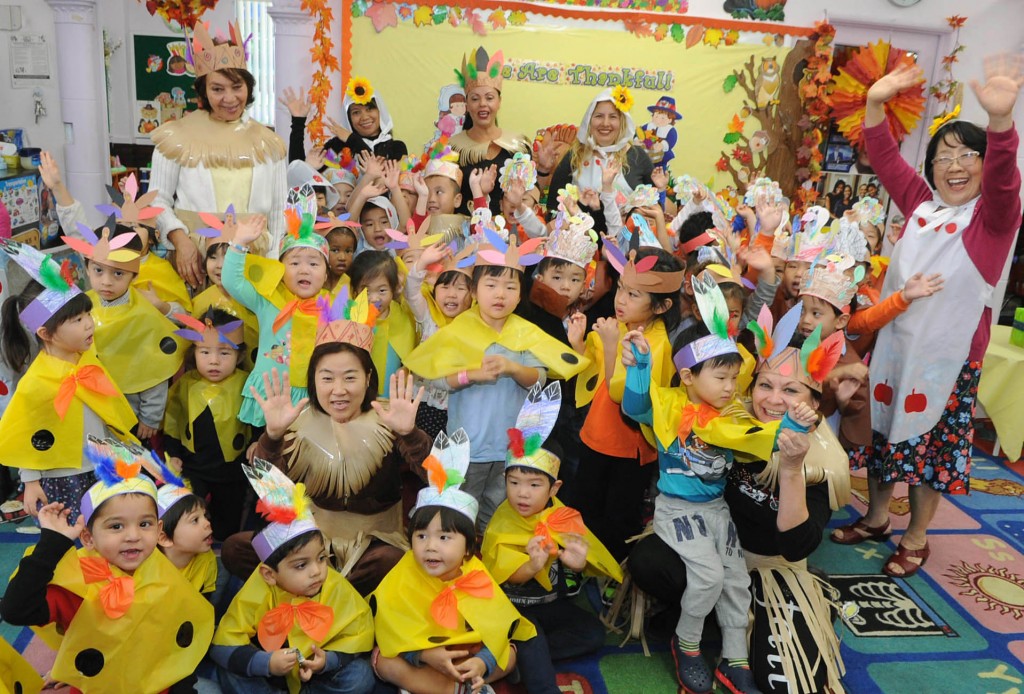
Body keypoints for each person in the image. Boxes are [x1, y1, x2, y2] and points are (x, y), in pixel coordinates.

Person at [830, 55, 1023, 577]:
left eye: (967, 155)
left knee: (929, 450)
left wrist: (1002, 125)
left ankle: (916, 535)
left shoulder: (992, 220)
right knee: (884, 435)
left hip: (948, 359)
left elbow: (1006, 184)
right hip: (893, 348)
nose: (954, 165)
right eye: (943, 156)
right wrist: (873, 104)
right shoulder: (920, 203)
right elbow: (887, 158)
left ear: (984, 163)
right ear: (931, 167)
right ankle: (875, 518)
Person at [628, 304, 852, 694]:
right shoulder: (732, 417)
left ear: (814, 403)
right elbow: (642, 408)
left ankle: (735, 657)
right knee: (673, 567)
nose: (774, 398)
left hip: (772, 568)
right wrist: (639, 367)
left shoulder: (820, 457)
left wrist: (791, 462)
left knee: (780, 680)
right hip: (697, 526)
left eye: (791, 390)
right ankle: (690, 643)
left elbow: (798, 541)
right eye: (765, 385)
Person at [221, 290, 433, 596]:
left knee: (393, 562)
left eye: (349, 377)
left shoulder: (389, 416)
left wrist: (410, 433)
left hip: (373, 548)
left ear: (368, 376)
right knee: (235, 549)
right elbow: (271, 491)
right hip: (309, 547)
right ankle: (325, 588)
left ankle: (321, 593)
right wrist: (273, 436)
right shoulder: (298, 419)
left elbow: (438, 477)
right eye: (327, 378)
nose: (338, 390)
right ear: (313, 379)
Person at [403, 228, 591, 532]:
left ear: (520, 294)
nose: (500, 294)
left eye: (510, 286)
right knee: (458, 512)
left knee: (498, 517)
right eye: (491, 285)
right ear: (475, 292)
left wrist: (512, 368)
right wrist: (470, 375)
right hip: (466, 448)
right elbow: (436, 381)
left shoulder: (525, 332)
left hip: (511, 451)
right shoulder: (460, 330)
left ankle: (494, 568)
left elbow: (540, 379)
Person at [0, 439, 214, 693]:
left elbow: (174, 646)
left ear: (158, 531)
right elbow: (15, 610)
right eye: (116, 526)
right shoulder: (77, 583)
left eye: (144, 524)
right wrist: (52, 544)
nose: (132, 535)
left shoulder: (164, 572)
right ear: (89, 538)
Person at [372, 431, 556, 694]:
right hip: (424, 657)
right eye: (421, 536)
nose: (431, 546)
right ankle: (459, 690)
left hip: (466, 655)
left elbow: (499, 627)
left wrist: (483, 662)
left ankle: (457, 684)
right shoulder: (404, 573)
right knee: (383, 660)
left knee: (512, 652)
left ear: (469, 548)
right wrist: (425, 654)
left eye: (445, 537)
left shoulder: (475, 576)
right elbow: (391, 628)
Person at [481, 382, 619, 667]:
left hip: (550, 604)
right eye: (514, 482)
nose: (522, 492)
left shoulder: (563, 516)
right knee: (528, 633)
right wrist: (532, 565)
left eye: (534, 484)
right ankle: (528, 655)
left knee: (592, 633)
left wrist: (578, 564)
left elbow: (585, 557)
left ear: (554, 488)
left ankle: (519, 659)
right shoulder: (504, 518)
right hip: (512, 605)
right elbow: (502, 572)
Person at [0, 240, 137, 525]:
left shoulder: (87, 359)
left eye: (88, 314)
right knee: (68, 536)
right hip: (60, 476)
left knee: (106, 529)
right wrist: (30, 481)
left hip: (100, 464)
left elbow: (104, 412)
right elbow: (24, 434)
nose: (89, 323)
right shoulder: (36, 381)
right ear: (46, 333)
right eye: (77, 319)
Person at [211, 459, 376, 694]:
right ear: (269, 574)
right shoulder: (259, 589)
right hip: (272, 675)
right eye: (301, 565)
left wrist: (326, 661)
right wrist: (265, 663)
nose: (317, 571)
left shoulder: (333, 584)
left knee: (360, 676)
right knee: (229, 670)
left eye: (321, 558)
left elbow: (360, 632)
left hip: (318, 676)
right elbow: (223, 644)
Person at [149, 21, 287, 288]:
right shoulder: (175, 137)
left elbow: (279, 211)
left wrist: (273, 265)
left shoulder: (269, 143)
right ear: (203, 90)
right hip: (194, 259)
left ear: (248, 88)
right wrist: (179, 239)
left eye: (237, 87)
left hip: (253, 259)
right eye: (218, 89)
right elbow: (157, 201)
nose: (229, 98)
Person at [569, 245, 682, 561]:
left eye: (633, 295)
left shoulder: (656, 342)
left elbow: (624, 396)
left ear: (662, 306)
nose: (620, 300)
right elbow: (589, 372)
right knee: (585, 505)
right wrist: (579, 342)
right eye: (620, 289)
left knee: (618, 517)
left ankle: (613, 572)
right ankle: (581, 564)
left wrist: (609, 346)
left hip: (629, 447)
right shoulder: (622, 324)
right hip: (597, 434)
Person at [66, 223, 186, 441]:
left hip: (132, 414)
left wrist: (150, 417)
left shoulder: (143, 313)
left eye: (118, 273)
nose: (106, 281)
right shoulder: (82, 307)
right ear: (86, 268)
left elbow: (155, 369)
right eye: (98, 270)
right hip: (93, 410)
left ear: (133, 274)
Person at [222, 197, 329, 428]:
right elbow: (233, 282)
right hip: (270, 397)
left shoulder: (334, 310)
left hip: (314, 401)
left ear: (326, 275)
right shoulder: (269, 300)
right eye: (294, 263)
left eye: (313, 264)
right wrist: (239, 243)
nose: (304, 270)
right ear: (281, 269)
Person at [163, 309, 251, 539]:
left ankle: (222, 560)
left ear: (239, 356)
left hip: (232, 473)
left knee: (227, 522)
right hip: (193, 469)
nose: (214, 360)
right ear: (194, 352)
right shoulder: (186, 384)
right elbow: (172, 421)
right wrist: (172, 453)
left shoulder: (246, 385)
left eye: (224, 353)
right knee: (189, 516)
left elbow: (256, 422)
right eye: (205, 352)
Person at [546, 88, 654, 216]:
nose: (605, 123)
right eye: (599, 116)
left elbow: (656, 205)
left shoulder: (637, 156)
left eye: (613, 117)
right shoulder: (574, 156)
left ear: (622, 122)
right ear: (589, 120)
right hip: (583, 234)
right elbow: (553, 208)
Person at [449, 47, 531, 215]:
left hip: (510, 235)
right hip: (464, 233)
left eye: (489, 97)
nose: (482, 104)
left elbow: (531, 192)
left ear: (499, 102)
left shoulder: (518, 146)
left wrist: (544, 170)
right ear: (467, 104)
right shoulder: (451, 149)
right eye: (475, 99)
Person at [347, 251, 417, 398]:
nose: (374, 298)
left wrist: (406, 369)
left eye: (382, 290)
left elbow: (412, 355)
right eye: (365, 291)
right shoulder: (348, 318)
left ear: (394, 289)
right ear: (354, 291)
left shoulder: (402, 316)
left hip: (391, 399)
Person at [157, 482, 218, 596]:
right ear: (165, 538)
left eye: (204, 516)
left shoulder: (206, 560)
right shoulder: (148, 573)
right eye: (195, 520)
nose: (207, 523)